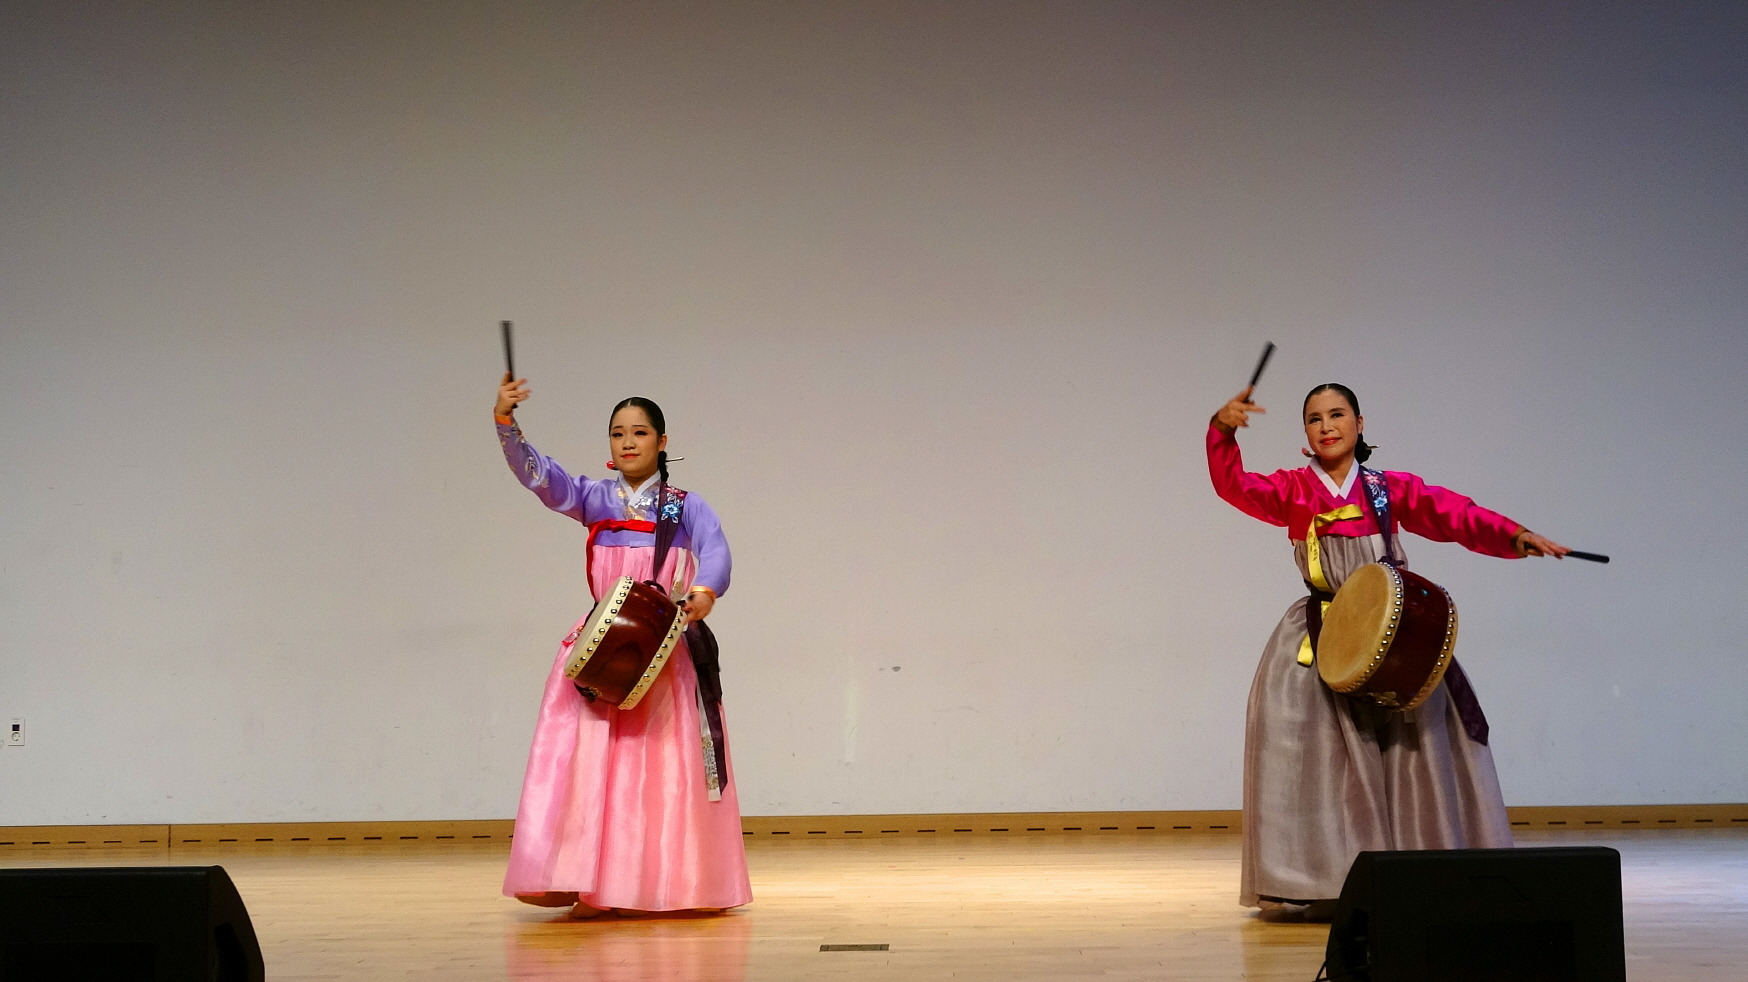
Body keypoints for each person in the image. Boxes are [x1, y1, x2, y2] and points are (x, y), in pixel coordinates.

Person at [1207, 382, 1570, 916]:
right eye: (1314, 419)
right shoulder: (1293, 489)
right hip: (1324, 633)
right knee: (1314, 752)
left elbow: (1455, 514)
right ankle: (1325, 880)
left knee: (1414, 749)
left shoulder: (1387, 489)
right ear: (1305, 432)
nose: (1326, 426)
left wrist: (1515, 536)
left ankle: (1423, 872)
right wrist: (1222, 430)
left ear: (1359, 424)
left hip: (1394, 633)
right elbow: (1232, 484)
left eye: (1337, 415)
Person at [494, 373, 751, 918]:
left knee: (656, 768)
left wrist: (704, 592)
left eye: (639, 432)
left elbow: (715, 551)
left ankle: (657, 883)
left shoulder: (683, 507)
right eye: (617, 433)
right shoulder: (593, 498)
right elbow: (540, 476)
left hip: (662, 649)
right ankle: (578, 878)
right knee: (581, 764)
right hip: (603, 643)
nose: (628, 442)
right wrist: (506, 422)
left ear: (662, 441)